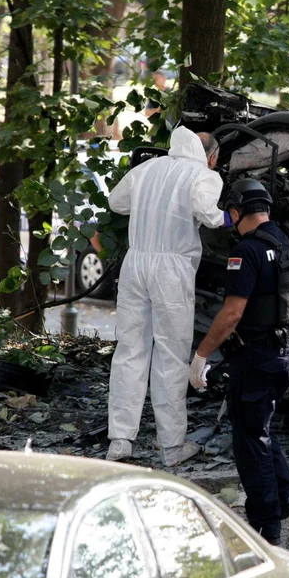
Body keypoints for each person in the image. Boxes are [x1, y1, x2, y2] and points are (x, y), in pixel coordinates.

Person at [190, 179, 289, 546]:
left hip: (259, 356)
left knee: (249, 439)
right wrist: (280, 315)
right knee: (261, 426)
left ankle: (266, 526)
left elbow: (232, 313)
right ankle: (285, 495)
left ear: (235, 213)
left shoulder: (246, 251)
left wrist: (202, 354)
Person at [105, 127, 223, 467]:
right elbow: (211, 217)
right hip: (172, 269)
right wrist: (228, 216)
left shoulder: (147, 169)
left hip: (136, 263)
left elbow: (116, 202)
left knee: (130, 350)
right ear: (211, 156)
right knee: (171, 355)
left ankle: (120, 442)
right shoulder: (203, 175)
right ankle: (171, 447)